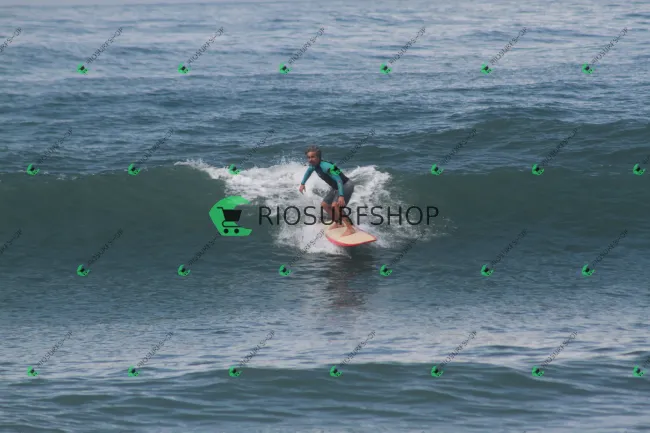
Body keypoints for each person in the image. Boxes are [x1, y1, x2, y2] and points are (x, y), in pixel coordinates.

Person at [299, 145, 356, 236]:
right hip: (336, 187)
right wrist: (302, 184)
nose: (310, 159)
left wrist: (341, 195)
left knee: (336, 206)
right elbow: (308, 172)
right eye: (308, 157)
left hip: (345, 185)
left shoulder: (327, 167)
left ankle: (350, 228)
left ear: (318, 157)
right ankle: (338, 223)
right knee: (325, 205)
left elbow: (339, 180)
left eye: (313, 157)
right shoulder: (314, 165)